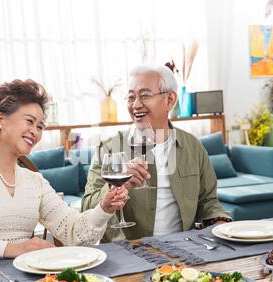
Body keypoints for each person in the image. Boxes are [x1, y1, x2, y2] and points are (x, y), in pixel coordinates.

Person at [0, 79, 127, 260]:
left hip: (25, 280)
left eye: (40, 126)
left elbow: (74, 232)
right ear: (0, 120)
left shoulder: (35, 181)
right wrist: (13, 249)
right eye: (29, 121)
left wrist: (104, 209)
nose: (35, 131)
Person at [82, 65, 231, 243]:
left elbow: (208, 201)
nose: (136, 105)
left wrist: (219, 222)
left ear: (170, 100)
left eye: (144, 95)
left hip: (185, 251)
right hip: (128, 253)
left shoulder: (193, 147)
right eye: (131, 97)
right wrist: (118, 188)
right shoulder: (108, 149)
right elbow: (86, 208)